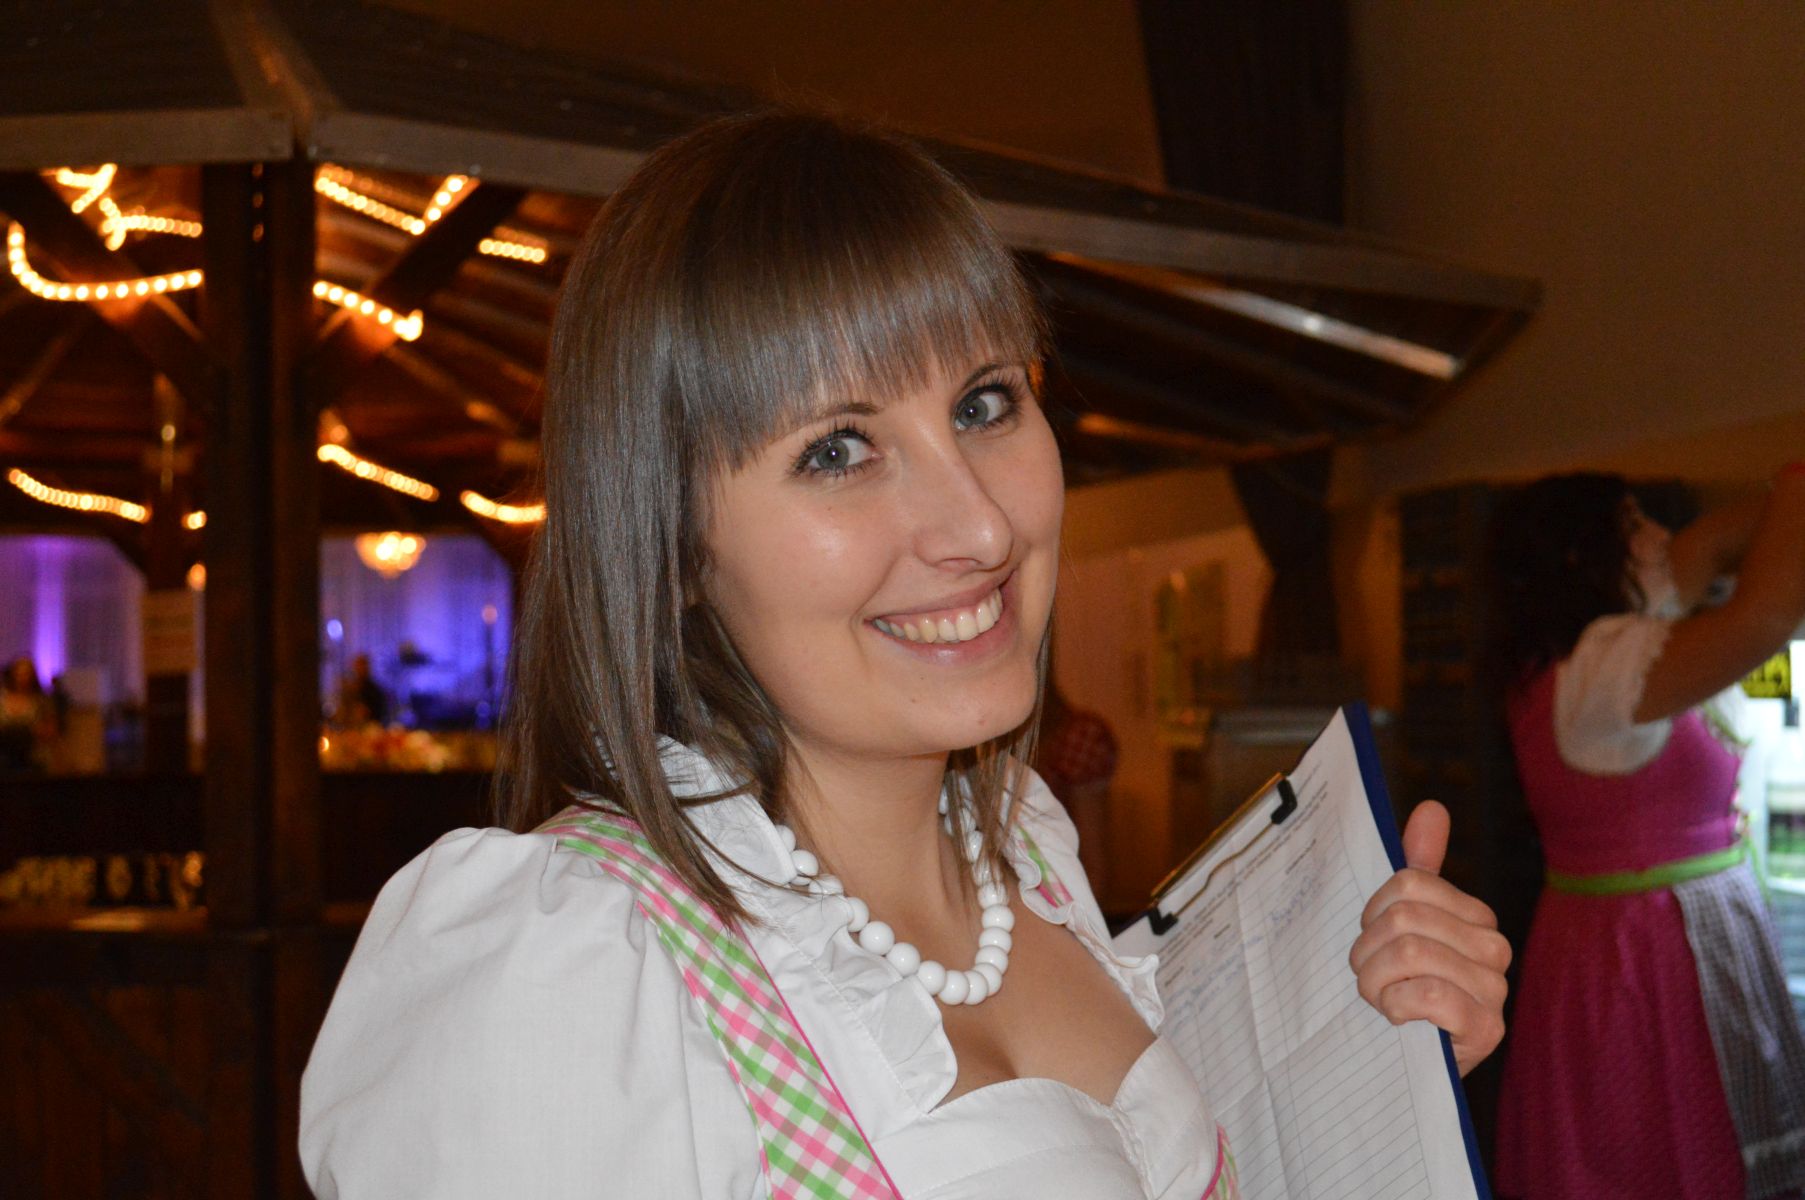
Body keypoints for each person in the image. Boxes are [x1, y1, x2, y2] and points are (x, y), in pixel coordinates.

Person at [299, 111, 1509, 1199]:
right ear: (669, 546)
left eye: (983, 404)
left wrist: (1374, 1070)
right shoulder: (572, 978)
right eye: (837, 450)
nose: (979, 526)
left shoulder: (1027, 856)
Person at [1487, 471, 1805, 1200]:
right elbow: (1763, 619)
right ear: (1583, 554)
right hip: (1643, 957)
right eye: (1636, 524)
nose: (1663, 536)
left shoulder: (1582, 659)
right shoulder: (1605, 663)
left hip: (1632, 941)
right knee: (1659, 1152)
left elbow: (1710, 544)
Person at [0, 655, 55, 770]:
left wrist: (35, 731)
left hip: (33, 758)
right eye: (19, 674)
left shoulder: (41, 702)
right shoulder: (2, 700)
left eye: (27, 674)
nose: (23, 678)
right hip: (4, 758)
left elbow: (51, 730)